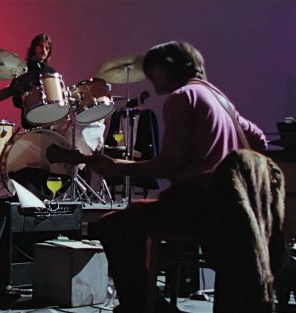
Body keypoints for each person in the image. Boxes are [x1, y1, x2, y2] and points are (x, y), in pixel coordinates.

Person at [48, 41, 267, 312]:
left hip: (200, 206)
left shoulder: (183, 97)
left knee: (111, 226)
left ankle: (144, 306)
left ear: (167, 67)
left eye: (152, 71)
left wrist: (119, 168)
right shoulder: (219, 99)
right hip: (233, 208)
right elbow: (260, 140)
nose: (150, 79)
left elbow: (169, 166)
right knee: (138, 216)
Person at [11, 34, 106, 197]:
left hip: (51, 121)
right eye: (41, 46)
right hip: (33, 122)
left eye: (48, 48)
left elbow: (59, 98)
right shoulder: (24, 71)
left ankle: (70, 177)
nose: (44, 50)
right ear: (33, 47)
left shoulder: (51, 73)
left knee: (76, 134)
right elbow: (15, 100)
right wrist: (24, 98)